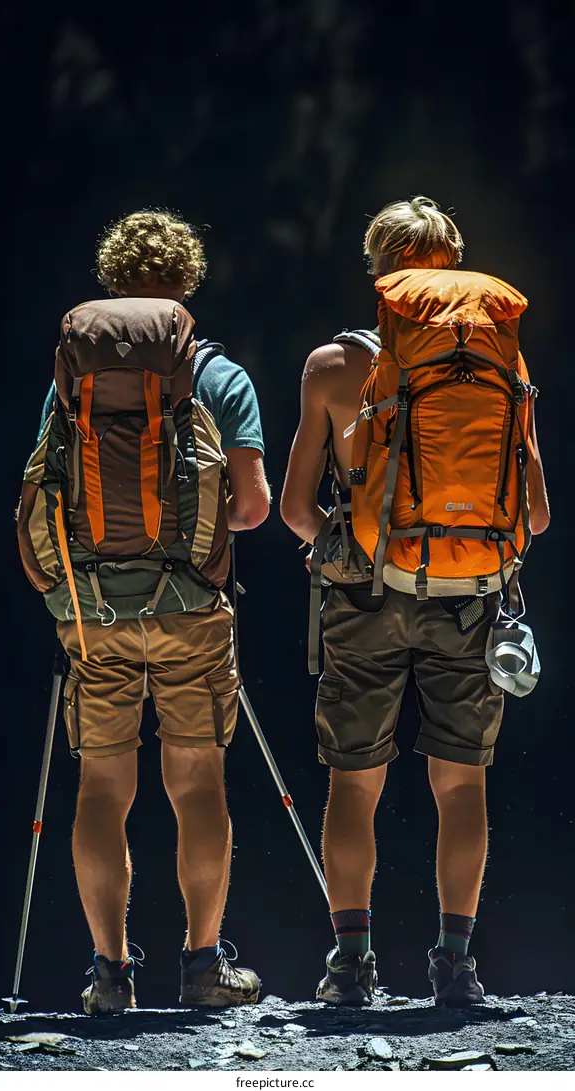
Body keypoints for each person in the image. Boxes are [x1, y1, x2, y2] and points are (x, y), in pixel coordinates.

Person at [280, 196, 550, 1007]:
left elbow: (296, 509)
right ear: (457, 263)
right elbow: (535, 516)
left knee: (353, 785)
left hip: (365, 594)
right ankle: (456, 966)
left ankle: (351, 964)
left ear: (378, 270)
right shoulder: (505, 360)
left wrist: (356, 537)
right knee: (461, 787)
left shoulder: (334, 367)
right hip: (471, 597)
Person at [29, 210, 270, 1012]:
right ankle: (204, 968)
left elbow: (49, 492)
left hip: (93, 609)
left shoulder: (74, 375)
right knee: (197, 783)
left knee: (102, 788)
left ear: (112, 281)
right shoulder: (219, 377)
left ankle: (109, 975)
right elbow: (254, 509)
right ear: (188, 283)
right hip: (191, 608)